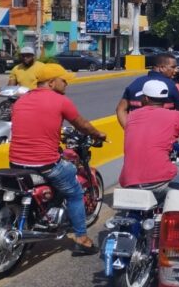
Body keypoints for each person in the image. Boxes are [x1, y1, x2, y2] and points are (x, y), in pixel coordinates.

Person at [9, 63, 106, 255]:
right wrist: (98, 134)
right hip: (45, 164)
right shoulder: (60, 101)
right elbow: (82, 125)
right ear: (52, 82)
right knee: (75, 192)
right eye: (64, 81)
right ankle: (82, 238)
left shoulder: (21, 100)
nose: (66, 85)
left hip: (16, 162)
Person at [118, 80, 179, 201]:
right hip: (160, 183)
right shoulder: (175, 116)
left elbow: (121, 110)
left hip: (129, 182)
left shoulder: (132, 116)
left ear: (146, 98)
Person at [115, 53, 179, 128]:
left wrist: (128, 130)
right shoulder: (172, 86)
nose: (175, 71)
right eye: (173, 67)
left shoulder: (134, 83)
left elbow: (120, 109)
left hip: (137, 136)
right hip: (163, 136)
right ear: (162, 68)